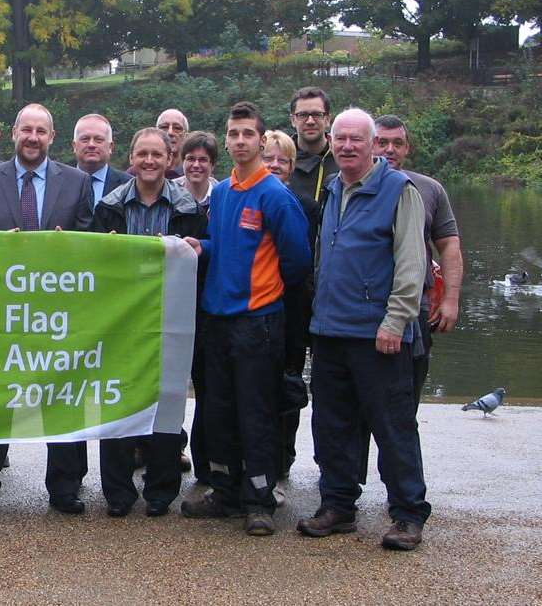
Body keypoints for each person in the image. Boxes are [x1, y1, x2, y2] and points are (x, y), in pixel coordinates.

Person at [298, 108, 431, 551]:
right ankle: (338, 506)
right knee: (331, 425)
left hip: (379, 334)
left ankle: (408, 513)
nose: (348, 146)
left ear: (375, 144)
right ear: (332, 143)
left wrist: (396, 320)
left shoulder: (399, 190)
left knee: (393, 427)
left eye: (358, 139)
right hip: (331, 330)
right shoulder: (334, 189)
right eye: (342, 139)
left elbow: (412, 263)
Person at [180, 102, 310, 536]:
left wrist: (264, 292)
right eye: (233, 134)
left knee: (255, 412)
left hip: (257, 322)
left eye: (247, 135)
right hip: (216, 320)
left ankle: (258, 500)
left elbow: (297, 262)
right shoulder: (221, 192)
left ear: (261, 138)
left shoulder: (274, 194)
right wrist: (201, 247)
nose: (239, 142)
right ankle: (224, 490)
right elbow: (223, 243)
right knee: (217, 410)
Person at [0, 102, 94, 515]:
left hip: (58, 313)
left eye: (41, 130)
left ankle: (65, 487)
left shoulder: (76, 182)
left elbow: (90, 243)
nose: (33, 137)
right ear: (15, 132)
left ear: (52, 137)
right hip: (2, 311)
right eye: (27, 129)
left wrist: (68, 246)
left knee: (63, 394)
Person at [92, 128, 205, 517]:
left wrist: (195, 251)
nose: (150, 161)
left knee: (168, 401)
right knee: (116, 400)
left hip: (169, 318)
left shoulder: (189, 208)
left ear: (169, 159)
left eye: (157, 154)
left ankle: (161, 489)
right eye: (143, 154)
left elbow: (199, 264)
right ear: (131, 158)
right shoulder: (109, 207)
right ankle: (118, 492)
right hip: (120, 319)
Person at [374, 114, 462, 402]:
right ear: (370, 144)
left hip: (416, 306)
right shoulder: (345, 185)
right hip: (364, 305)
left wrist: (450, 299)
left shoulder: (429, 189)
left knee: (407, 392)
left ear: (407, 148)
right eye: (382, 142)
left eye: (397, 143)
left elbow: (449, 246)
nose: (390, 149)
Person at [260, 130, 321, 494]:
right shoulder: (241, 200)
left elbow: (305, 261)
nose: (275, 166)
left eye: (283, 161)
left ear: (292, 167)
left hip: (291, 310)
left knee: (288, 389)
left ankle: (282, 466)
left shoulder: (306, 207)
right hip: (252, 311)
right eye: (268, 158)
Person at [172, 130, 218, 481]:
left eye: (203, 159)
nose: (196, 165)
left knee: (207, 388)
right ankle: (174, 447)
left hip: (206, 303)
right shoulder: (172, 195)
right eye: (191, 159)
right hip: (172, 301)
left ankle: (207, 461)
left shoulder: (223, 196)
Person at [287, 87, 338, 202]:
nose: (310, 121)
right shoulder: (279, 160)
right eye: (302, 115)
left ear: (327, 119)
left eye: (317, 114)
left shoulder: (342, 159)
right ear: (293, 120)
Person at [72, 113, 131, 209]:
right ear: (74, 146)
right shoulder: (58, 184)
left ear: (110, 147)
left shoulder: (128, 185)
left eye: (98, 140)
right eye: (85, 139)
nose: (91, 145)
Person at [156, 109, 190, 179]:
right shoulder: (140, 172)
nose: (170, 132)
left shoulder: (193, 175)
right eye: (164, 127)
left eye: (177, 128)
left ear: (186, 137)